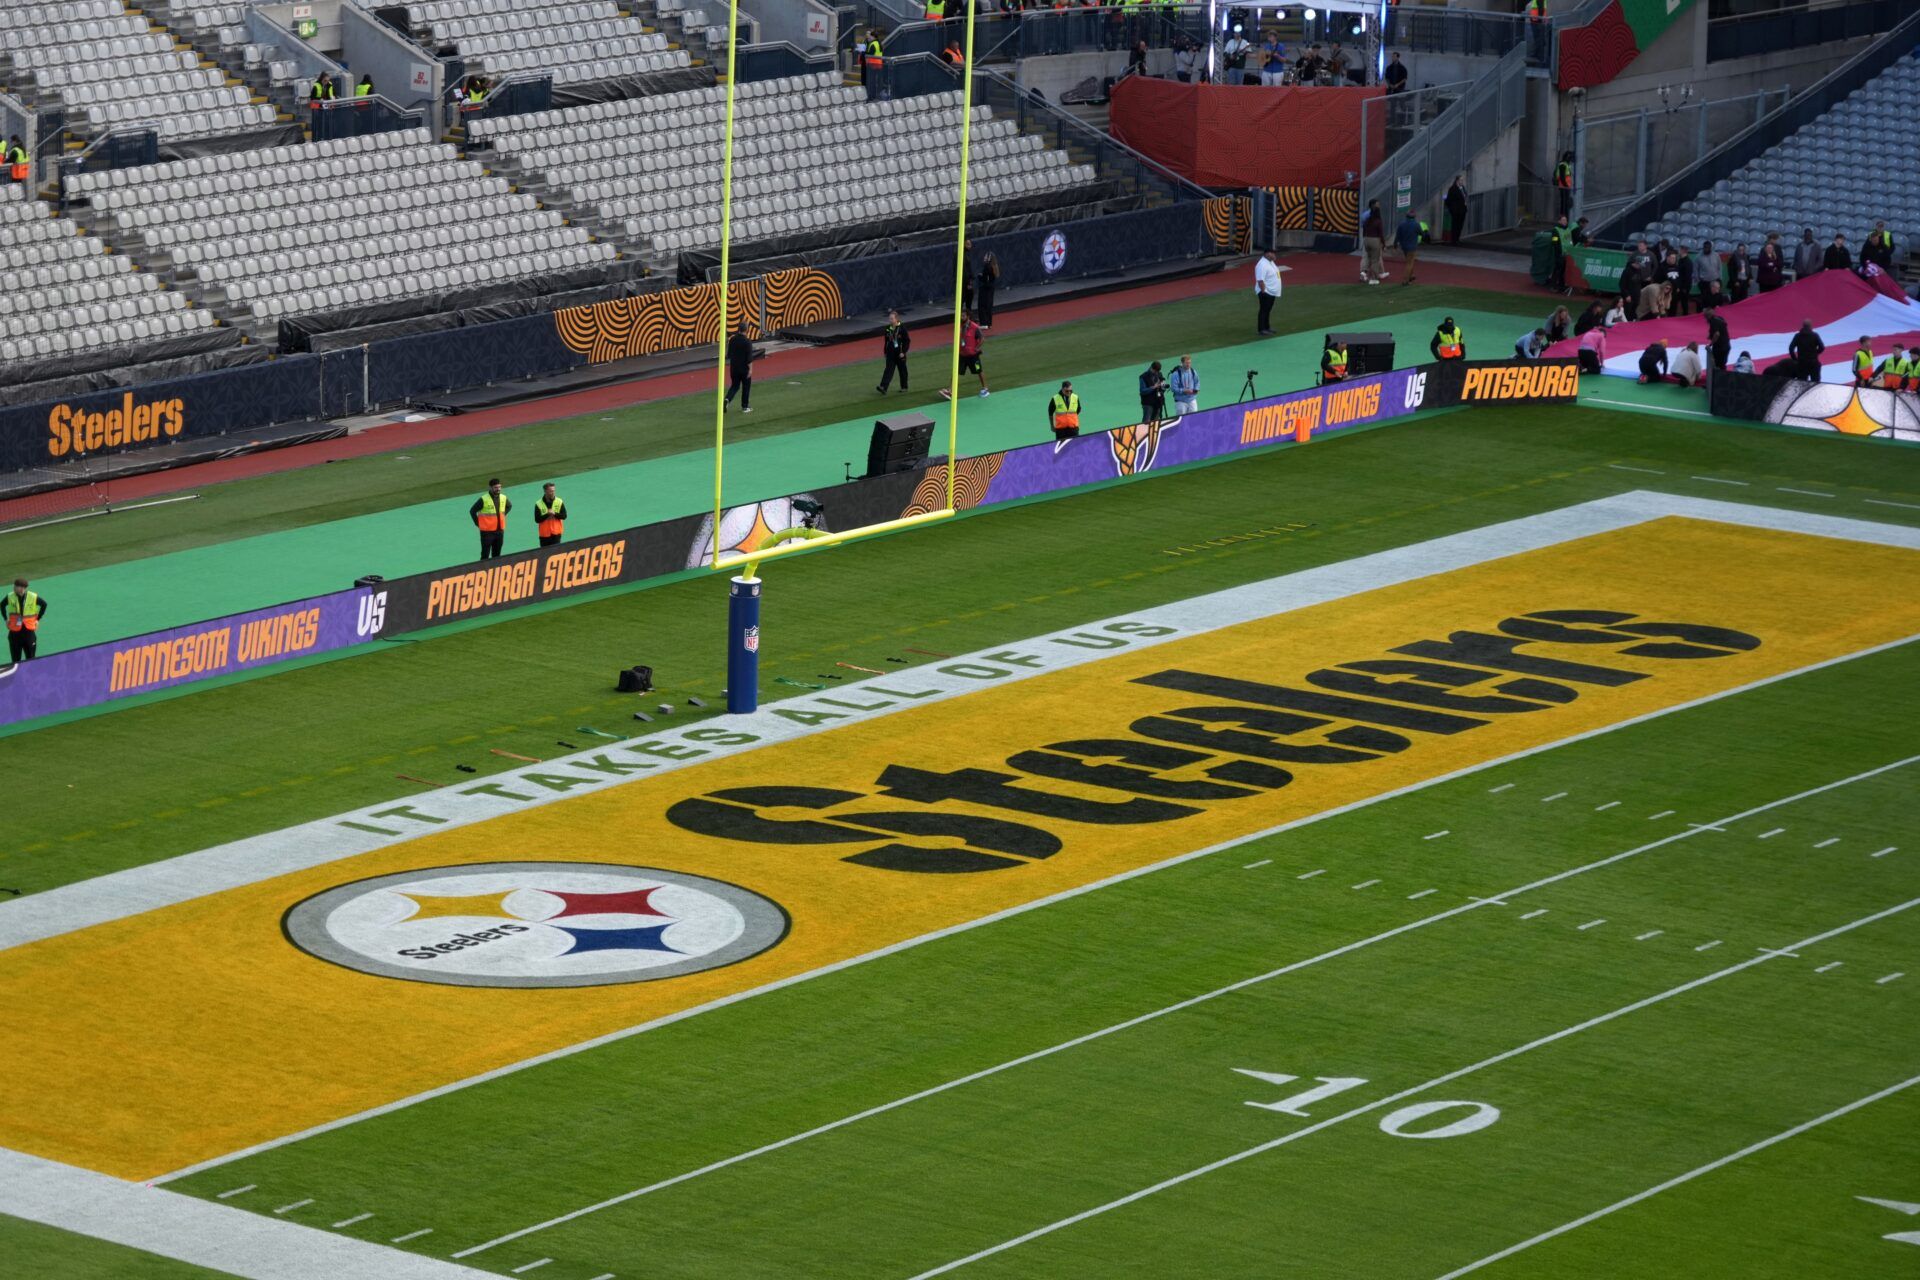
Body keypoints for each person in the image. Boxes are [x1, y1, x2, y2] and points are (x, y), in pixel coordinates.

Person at [944, 311, 989, 398]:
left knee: (979, 371)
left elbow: (982, 338)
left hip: (973, 356)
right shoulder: (960, 326)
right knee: (955, 371)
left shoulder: (974, 327)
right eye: (960, 316)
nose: (961, 317)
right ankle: (950, 390)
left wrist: (976, 348)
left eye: (963, 316)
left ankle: (985, 388)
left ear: (968, 316)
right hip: (962, 355)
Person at [4, 577, 45, 663]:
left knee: (31, 659)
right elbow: (2, 605)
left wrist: (37, 619)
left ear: (22, 588)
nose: (13, 588)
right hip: (15, 633)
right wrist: (6, 619)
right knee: (15, 661)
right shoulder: (10, 596)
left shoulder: (32, 596)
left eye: (16, 586)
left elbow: (44, 604)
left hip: (28, 632)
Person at [470, 478, 510, 560]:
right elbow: (472, 511)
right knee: (485, 555)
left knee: (497, 555)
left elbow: (509, 506)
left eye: (499, 487)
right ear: (490, 488)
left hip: (499, 531)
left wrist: (503, 515)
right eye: (495, 487)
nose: (498, 489)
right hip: (487, 533)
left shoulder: (503, 497)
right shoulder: (483, 499)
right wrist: (478, 524)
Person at [876, 309, 911, 394]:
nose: (890, 320)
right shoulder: (888, 328)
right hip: (890, 353)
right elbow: (886, 341)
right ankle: (883, 387)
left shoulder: (902, 328)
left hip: (900, 353)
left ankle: (904, 387)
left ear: (896, 319)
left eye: (892, 318)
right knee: (888, 370)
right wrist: (885, 352)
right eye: (889, 318)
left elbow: (907, 341)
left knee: (902, 370)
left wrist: (904, 352)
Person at [724, 326, 755, 411]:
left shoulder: (732, 340)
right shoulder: (747, 341)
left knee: (734, 386)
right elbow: (749, 358)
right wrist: (751, 369)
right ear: (746, 330)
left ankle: (727, 399)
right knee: (746, 387)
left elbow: (729, 354)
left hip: (734, 368)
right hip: (744, 368)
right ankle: (745, 406)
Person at [1254, 250, 1282, 335]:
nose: (1274, 255)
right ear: (1267, 254)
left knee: (1267, 310)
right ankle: (1261, 329)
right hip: (1266, 292)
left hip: (1271, 291)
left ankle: (1267, 327)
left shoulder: (1270, 262)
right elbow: (1260, 280)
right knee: (1264, 310)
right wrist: (1263, 292)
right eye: (1273, 253)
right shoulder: (1262, 265)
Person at [1360, 199, 1386, 285]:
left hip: (1366, 239)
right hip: (1374, 239)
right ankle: (1373, 278)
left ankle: (1364, 272)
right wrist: (1384, 243)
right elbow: (1381, 233)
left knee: (1367, 257)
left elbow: (1363, 226)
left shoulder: (1367, 218)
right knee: (1375, 259)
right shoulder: (1378, 221)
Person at [533, 483, 568, 547]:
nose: (553, 492)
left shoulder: (559, 501)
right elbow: (537, 520)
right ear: (545, 491)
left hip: (556, 534)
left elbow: (564, 516)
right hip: (544, 535)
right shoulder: (538, 504)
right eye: (551, 491)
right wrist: (547, 514)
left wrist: (554, 513)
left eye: (553, 490)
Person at [1393, 209, 1422, 285]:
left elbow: (1397, 236)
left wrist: (1395, 244)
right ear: (1414, 217)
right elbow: (1422, 233)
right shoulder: (1416, 224)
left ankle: (1411, 275)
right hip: (1412, 246)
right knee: (1409, 263)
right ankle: (1406, 280)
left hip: (1404, 246)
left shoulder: (1401, 224)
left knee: (1409, 261)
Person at [1691, 241, 1721, 310]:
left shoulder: (1716, 255)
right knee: (1704, 300)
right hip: (1704, 282)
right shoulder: (1698, 257)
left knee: (1715, 299)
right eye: (1705, 248)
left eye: (1708, 248)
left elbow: (1719, 267)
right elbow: (1695, 270)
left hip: (1715, 281)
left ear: (1711, 248)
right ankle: (1703, 314)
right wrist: (1698, 281)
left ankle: (1714, 313)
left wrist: (1719, 279)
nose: (1706, 249)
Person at [1547, 214, 1572, 295]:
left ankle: (1561, 286)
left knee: (1563, 271)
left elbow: (1570, 240)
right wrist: (1559, 252)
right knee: (1557, 270)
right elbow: (1554, 241)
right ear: (1559, 221)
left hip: (1568, 254)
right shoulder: (1555, 230)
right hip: (1560, 254)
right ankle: (1553, 286)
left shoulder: (1568, 229)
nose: (1565, 221)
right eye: (1563, 220)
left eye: (1566, 220)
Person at [976, 252, 999, 327]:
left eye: (986, 256)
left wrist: (980, 276)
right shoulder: (994, 266)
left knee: (982, 305)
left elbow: (985, 279)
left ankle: (984, 323)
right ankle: (989, 323)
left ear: (989, 258)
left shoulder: (987, 266)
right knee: (989, 305)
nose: (984, 257)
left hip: (985, 288)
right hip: (991, 288)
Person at [1703, 306, 1730, 372]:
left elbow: (1717, 334)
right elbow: (1723, 326)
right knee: (1723, 364)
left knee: (1718, 365)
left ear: (1707, 316)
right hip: (1726, 345)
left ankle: (1718, 379)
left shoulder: (1713, 322)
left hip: (1719, 347)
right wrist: (1710, 335)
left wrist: (1711, 343)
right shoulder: (1720, 318)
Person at [1444, 176, 1468, 245]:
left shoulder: (1462, 188)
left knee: (1460, 225)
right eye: (1461, 180)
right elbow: (1448, 200)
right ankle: (1454, 240)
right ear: (1457, 181)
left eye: (1462, 180)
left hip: (1462, 209)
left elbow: (1464, 196)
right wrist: (1452, 209)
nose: (1462, 181)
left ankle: (1457, 239)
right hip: (1456, 210)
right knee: (1455, 225)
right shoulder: (1453, 189)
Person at [1553, 149, 1574, 218]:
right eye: (1570, 158)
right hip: (1564, 187)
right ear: (1567, 157)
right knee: (1564, 202)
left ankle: (1564, 216)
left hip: (1565, 186)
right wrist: (1566, 186)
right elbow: (1562, 177)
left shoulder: (1566, 164)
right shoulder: (1563, 165)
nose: (1571, 160)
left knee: (1565, 201)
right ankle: (1564, 217)